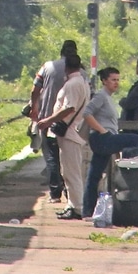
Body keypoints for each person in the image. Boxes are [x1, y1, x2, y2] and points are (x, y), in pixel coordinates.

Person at [81, 66, 138, 219]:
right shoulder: (101, 96)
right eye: (113, 80)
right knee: (135, 139)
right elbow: (86, 113)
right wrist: (102, 130)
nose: (116, 83)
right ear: (104, 81)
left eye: (118, 80)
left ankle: (88, 211)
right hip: (102, 138)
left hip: (105, 139)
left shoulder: (108, 97)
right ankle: (132, 171)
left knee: (94, 175)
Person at [38, 52, 90, 220]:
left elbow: (69, 108)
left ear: (66, 67)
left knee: (72, 172)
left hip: (70, 133)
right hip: (70, 133)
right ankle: (72, 206)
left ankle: (78, 207)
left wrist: (48, 120)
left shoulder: (73, 84)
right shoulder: (80, 82)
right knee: (69, 171)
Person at [29, 40, 80, 203]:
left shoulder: (47, 67)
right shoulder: (81, 73)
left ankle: (55, 193)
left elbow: (35, 89)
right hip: (71, 123)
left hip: (47, 118)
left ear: (61, 52)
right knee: (68, 159)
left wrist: (34, 108)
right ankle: (68, 191)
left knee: (51, 157)